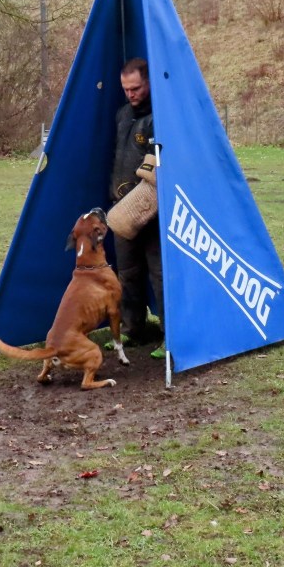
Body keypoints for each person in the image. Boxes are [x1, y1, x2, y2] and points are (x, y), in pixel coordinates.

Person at [108, 57, 164, 358]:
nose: (131, 94)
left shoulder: (160, 116)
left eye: (136, 88)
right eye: (126, 89)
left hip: (150, 210)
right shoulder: (122, 114)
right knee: (127, 273)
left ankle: (171, 335)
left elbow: (158, 167)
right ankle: (132, 329)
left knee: (159, 273)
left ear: (149, 83)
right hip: (121, 208)